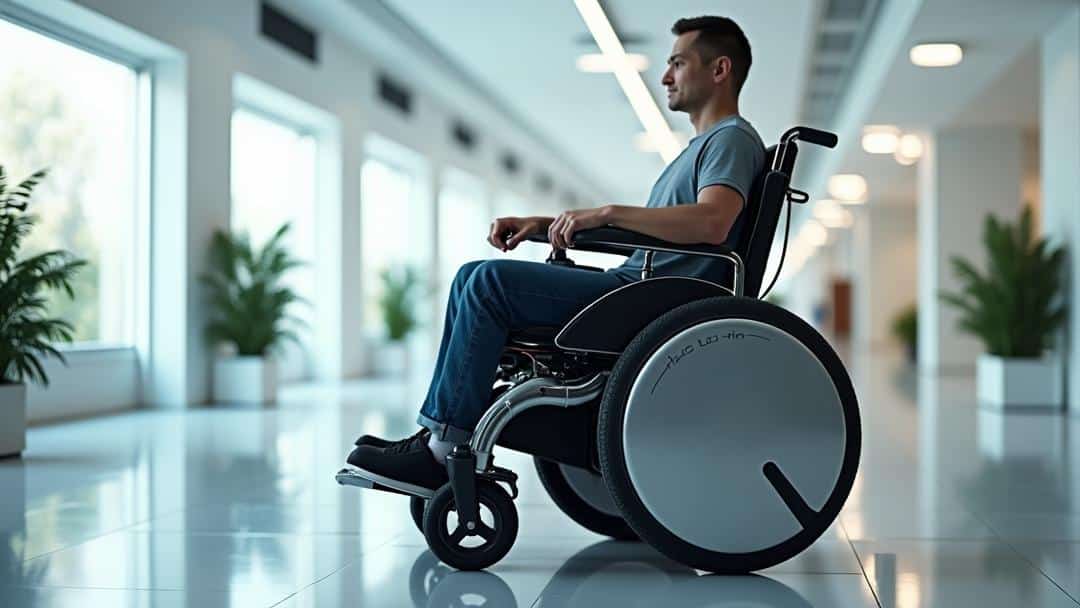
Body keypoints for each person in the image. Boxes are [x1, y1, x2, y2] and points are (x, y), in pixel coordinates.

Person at [345, 15, 766, 494]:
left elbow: (712, 222)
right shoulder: (699, 148)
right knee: (470, 277)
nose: (665, 77)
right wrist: (542, 227)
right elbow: (672, 231)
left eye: (677, 62)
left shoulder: (730, 139)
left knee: (488, 284)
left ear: (720, 69)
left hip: (655, 298)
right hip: (641, 288)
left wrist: (607, 211)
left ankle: (443, 452)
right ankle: (437, 436)